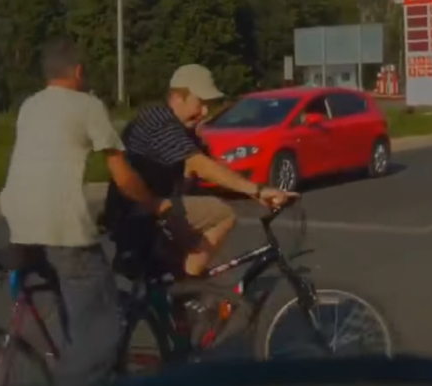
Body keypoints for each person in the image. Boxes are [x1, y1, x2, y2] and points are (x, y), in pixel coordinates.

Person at [0, 36, 170, 386]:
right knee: (103, 333)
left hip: (20, 225)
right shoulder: (86, 105)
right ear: (77, 72)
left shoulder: (29, 106)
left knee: (79, 315)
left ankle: (82, 381)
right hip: (62, 231)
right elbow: (123, 177)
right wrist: (156, 203)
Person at [103, 64, 298, 279]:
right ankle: (188, 288)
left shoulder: (179, 128)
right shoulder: (157, 118)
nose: (205, 112)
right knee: (222, 215)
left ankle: (176, 287)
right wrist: (257, 190)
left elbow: (195, 173)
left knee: (195, 241)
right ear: (178, 97)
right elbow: (199, 165)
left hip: (147, 207)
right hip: (137, 210)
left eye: (208, 105)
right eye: (200, 103)